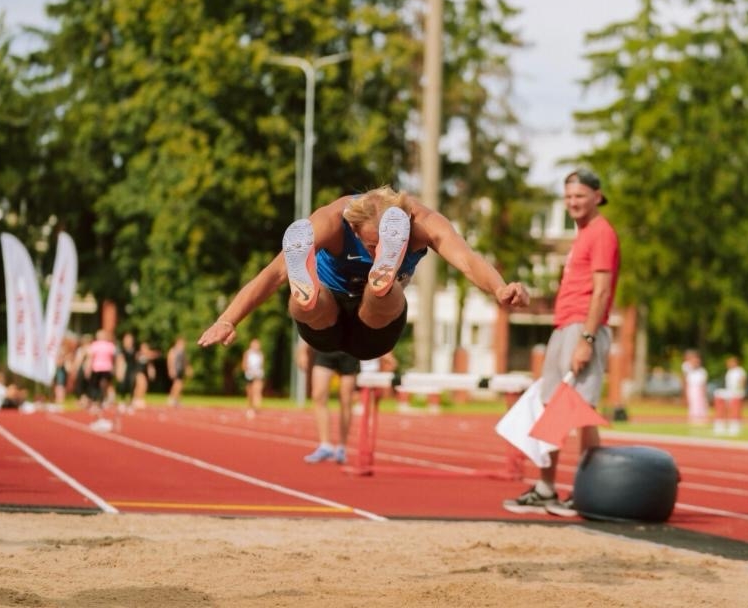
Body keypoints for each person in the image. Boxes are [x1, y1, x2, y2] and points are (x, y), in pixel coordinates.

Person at [197, 186, 530, 361]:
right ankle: (308, 288)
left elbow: (468, 260)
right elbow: (274, 274)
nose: (373, 254)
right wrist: (228, 319)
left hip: (375, 327)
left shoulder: (422, 222)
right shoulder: (331, 221)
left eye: (382, 247)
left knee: (383, 291)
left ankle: (382, 281)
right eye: (372, 246)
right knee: (310, 302)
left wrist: (499, 289)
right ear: (354, 227)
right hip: (327, 315)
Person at [504, 168, 619, 517]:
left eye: (580, 195)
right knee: (551, 408)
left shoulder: (601, 233)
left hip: (582, 328)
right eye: (568, 196)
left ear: (597, 196)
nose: (573, 202)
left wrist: (586, 337)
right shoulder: (582, 235)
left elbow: (600, 291)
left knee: (581, 412)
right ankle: (546, 489)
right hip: (564, 326)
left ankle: (589, 493)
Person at [297, 341, 359, 463]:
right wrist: (302, 350)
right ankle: (325, 445)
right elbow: (310, 321)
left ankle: (342, 446)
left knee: (346, 399)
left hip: (350, 349)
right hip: (325, 345)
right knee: (318, 395)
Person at [713, 355, 747, 436]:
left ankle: (735, 426)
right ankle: (720, 424)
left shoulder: (740, 370)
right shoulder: (729, 371)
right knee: (718, 395)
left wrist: (739, 390)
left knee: (735, 408)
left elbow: (742, 381)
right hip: (730, 392)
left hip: (737, 392)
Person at [86, 329, 118, 410]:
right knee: (102, 385)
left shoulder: (96, 345)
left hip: (100, 368)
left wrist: (88, 369)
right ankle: (99, 401)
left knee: (97, 386)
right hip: (102, 368)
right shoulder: (109, 345)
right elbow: (115, 358)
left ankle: (98, 401)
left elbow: (90, 358)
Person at [682, 349, 709, 426]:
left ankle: (702, 418)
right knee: (693, 403)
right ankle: (694, 418)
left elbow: (704, 383)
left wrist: (704, 391)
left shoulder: (702, 371)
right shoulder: (687, 367)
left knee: (701, 403)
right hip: (692, 388)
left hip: (699, 388)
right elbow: (685, 378)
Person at [241, 338, 267, 418]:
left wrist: (259, 372)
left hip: (258, 374)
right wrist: (249, 370)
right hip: (249, 374)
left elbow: (262, 365)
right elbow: (244, 365)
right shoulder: (247, 353)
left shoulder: (260, 354)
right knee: (250, 393)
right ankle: (250, 407)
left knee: (257, 390)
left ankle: (256, 407)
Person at [166, 336, 189, 407]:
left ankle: (176, 400)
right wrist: (171, 369)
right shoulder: (173, 350)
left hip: (180, 370)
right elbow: (170, 359)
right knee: (177, 384)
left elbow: (185, 361)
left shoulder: (182, 351)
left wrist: (187, 368)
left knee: (180, 385)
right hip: (175, 369)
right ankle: (171, 399)